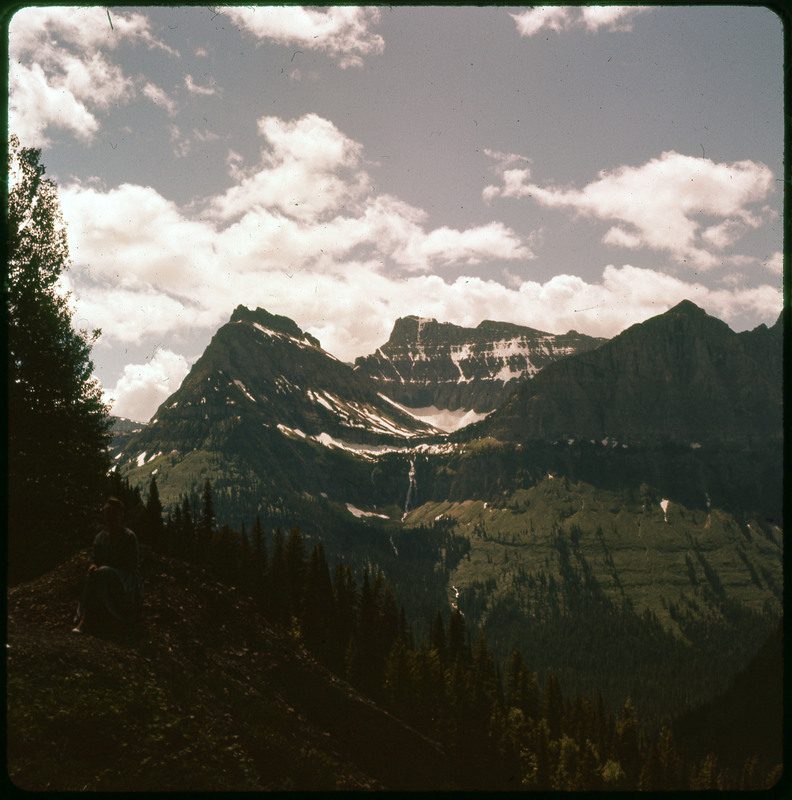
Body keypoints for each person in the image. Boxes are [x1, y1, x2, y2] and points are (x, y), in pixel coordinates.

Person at [72, 497, 144, 633]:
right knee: (95, 575)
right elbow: (95, 558)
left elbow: (132, 564)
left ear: (121, 515)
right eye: (108, 513)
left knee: (103, 572)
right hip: (104, 574)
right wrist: (93, 565)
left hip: (126, 578)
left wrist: (109, 567)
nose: (111, 517)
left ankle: (85, 621)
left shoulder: (129, 537)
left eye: (114, 513)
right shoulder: (100, 537)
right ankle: (86, 616)